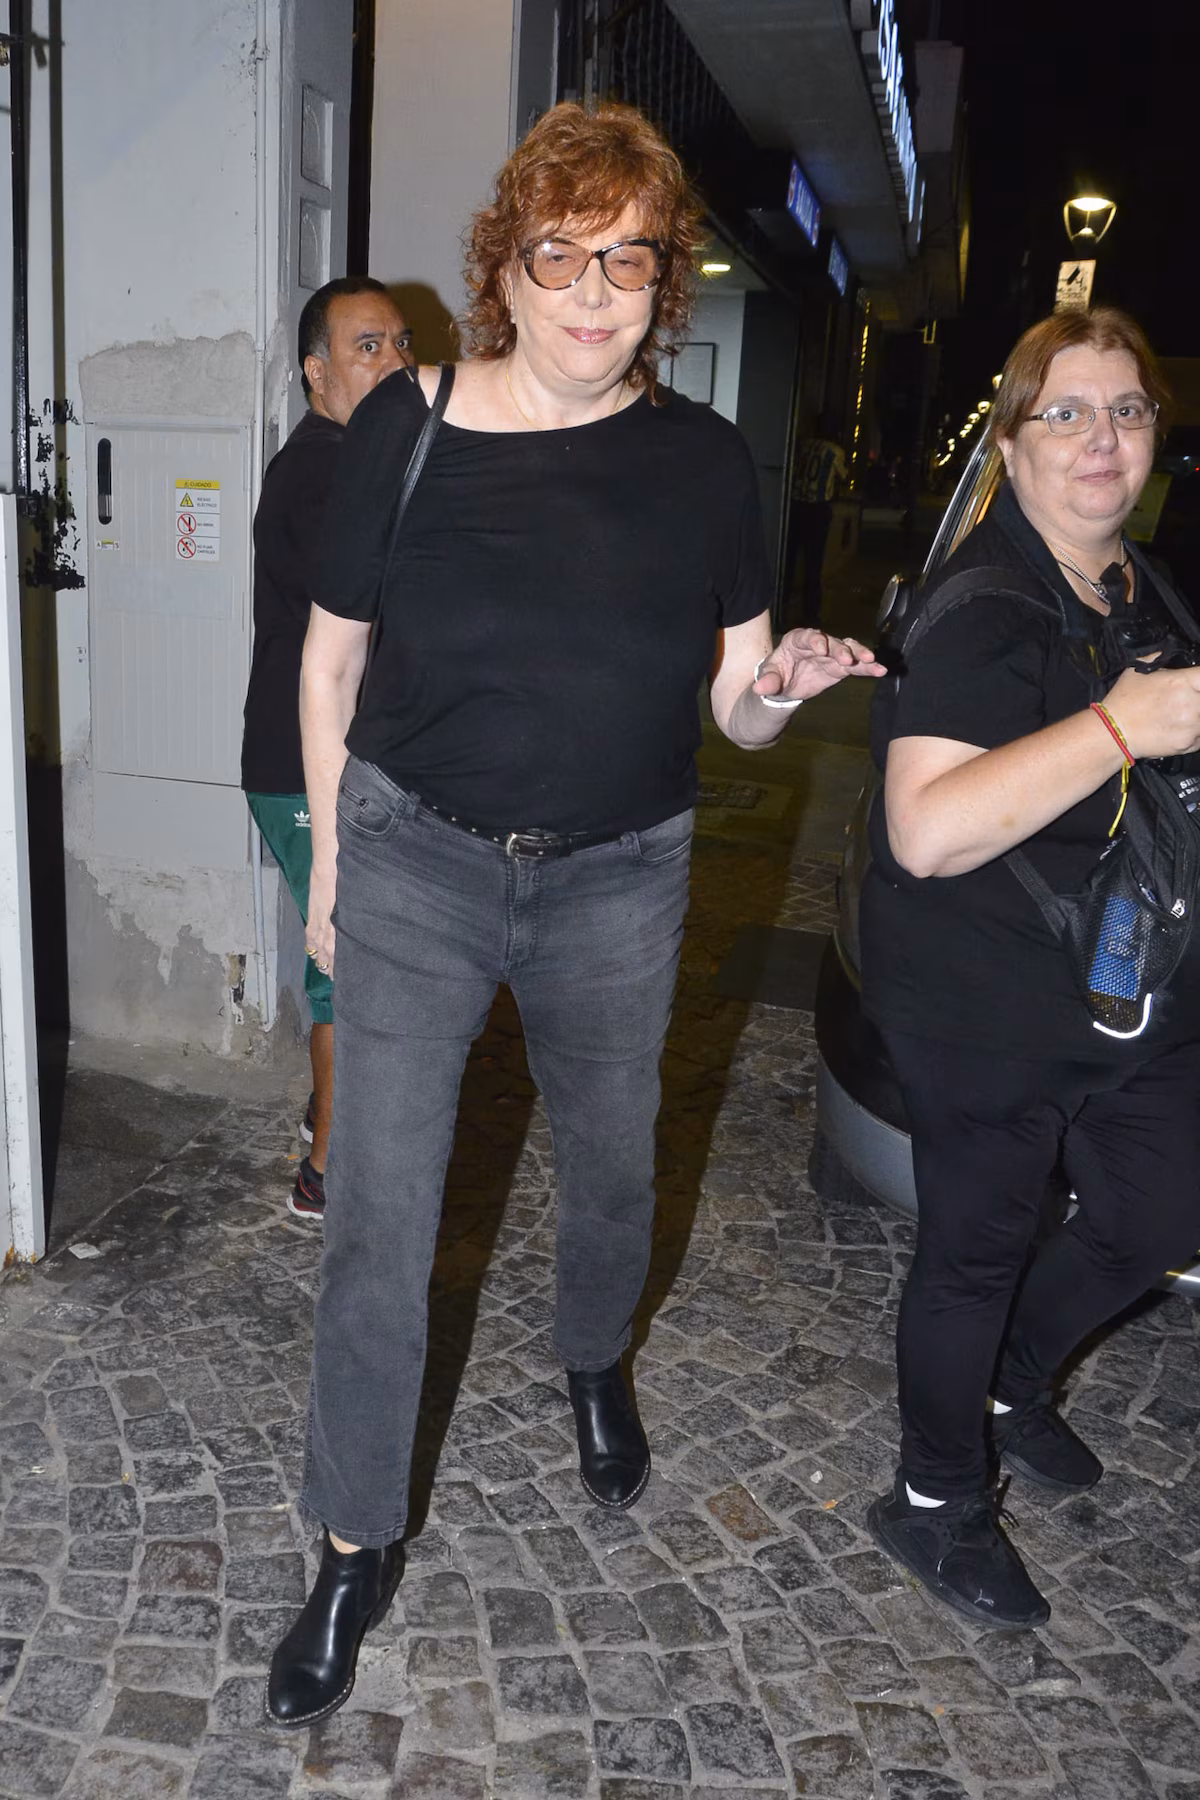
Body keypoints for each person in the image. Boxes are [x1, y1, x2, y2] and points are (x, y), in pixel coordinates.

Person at [264, 100, 883, 1728]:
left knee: (615, 1168)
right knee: (383, 1215)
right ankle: (352, 1541)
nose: (595, 293)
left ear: (665, 281)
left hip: (619, 874)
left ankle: (595, 1357)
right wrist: (331, 872)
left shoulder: (701, 463)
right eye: (563, 255)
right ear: (507, 267)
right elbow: (330, 665)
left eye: (630, 260)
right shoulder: (404, 428)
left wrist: (785, 684)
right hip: (418, 862)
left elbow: (736, 701)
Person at [860, 306, 1200, 1630]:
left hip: (1123, 988)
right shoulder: (982, 606)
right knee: (977, 1253)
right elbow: (927, 830)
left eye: (1127, 410)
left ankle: (1008, 1383)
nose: (1100, 439)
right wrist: (1120, 726)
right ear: (1011, 444)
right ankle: (934, 1496)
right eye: (1066, 413)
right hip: (982, 998)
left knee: (1161, 1210)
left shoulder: (1144, 588)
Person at [241, 275, 415, 1220]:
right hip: (305, 762)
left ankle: (327, 1121)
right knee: (346, 968)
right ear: (317, 372)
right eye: (367, 347)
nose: (394, 362)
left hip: (338, 755)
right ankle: (326, 1176)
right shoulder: (322, 472)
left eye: (401, 342)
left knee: (356, 955)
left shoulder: (358, 462)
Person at [785, 421, 847, 627]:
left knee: (789, 558)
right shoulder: (834, 451)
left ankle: (782, 605)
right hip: (817, 509)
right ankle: (810, 612)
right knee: (813, 563)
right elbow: (843, 476)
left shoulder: (804, 445)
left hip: (797, 504)